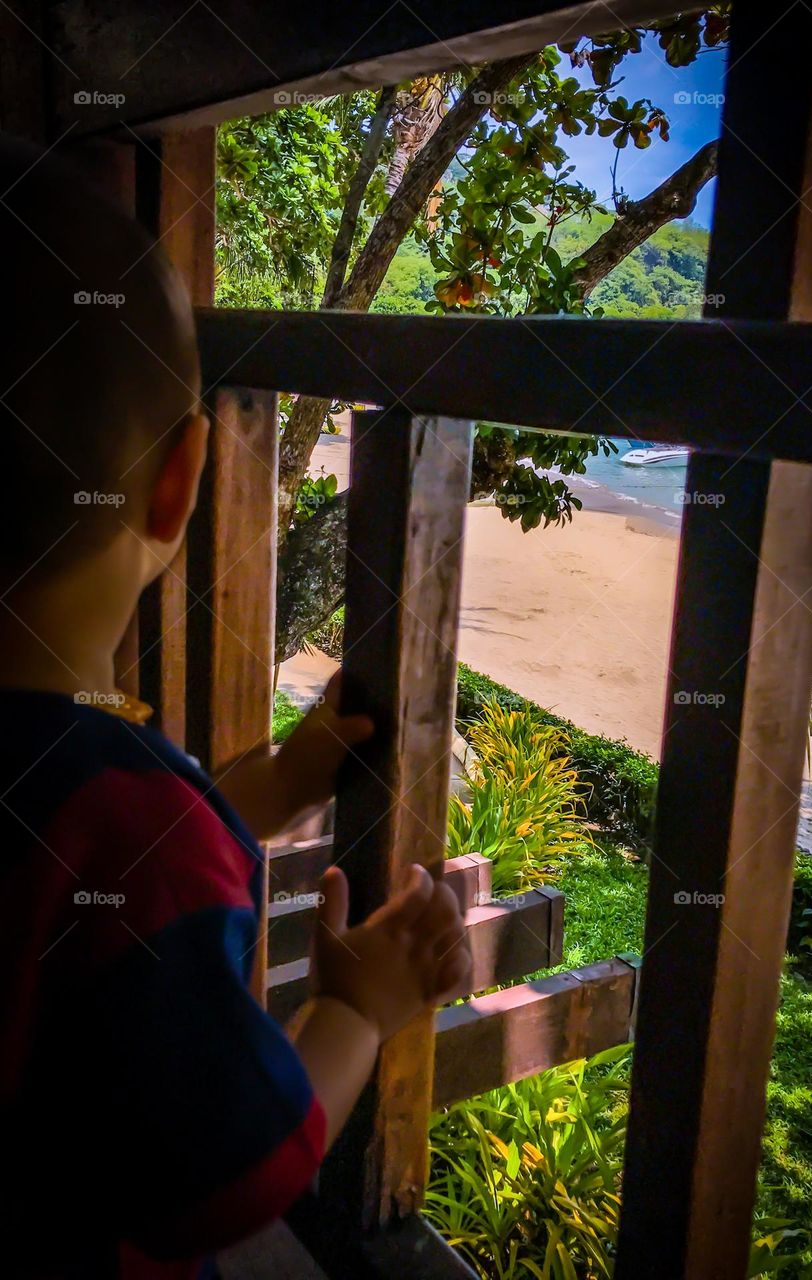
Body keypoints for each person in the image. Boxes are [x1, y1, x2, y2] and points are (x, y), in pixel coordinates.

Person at [0, 137, 471, 1278]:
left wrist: (270, 785)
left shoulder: (112, 801)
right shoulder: (130, 813)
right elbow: (230, 1170)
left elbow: (83, 862)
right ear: (181, 477)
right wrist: (359, 1009)